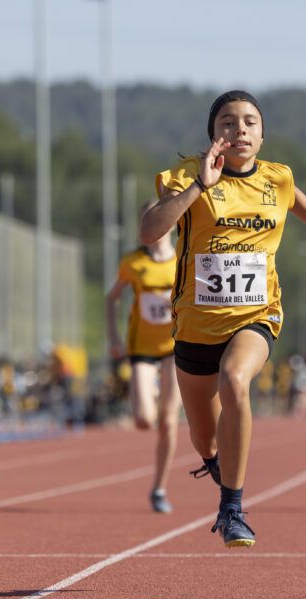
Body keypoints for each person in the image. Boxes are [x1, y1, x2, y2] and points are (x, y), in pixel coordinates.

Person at [140, 90, 306, 547]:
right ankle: (218, 462)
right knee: (203, 441)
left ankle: (232, 508)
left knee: (235, 379)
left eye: (250, 122)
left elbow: (295, 197)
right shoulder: (187, 175)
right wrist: (199, 188)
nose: (240, 130)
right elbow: (150, 231)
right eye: (228, 123)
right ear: (214, 135)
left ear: (262, 134)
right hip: (194, 325)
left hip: (256, 314)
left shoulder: (277, 178)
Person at [105, 200, 181, 513]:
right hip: (142, 349)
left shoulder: (184, 259)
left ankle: (160, 488)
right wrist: (114, 338)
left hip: (177, 348)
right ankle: (147, 390)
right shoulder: (132, 263)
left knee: (168, 421)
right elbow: (112, 299)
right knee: (143, 420)